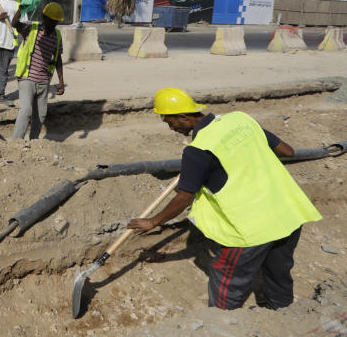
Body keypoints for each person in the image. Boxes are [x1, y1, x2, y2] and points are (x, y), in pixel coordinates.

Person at [127, 88, 322, 310]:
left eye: (169, 121)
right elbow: (288, 151)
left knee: (226, 279)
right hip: (288, 213)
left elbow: (183, 199)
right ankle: (282, 315)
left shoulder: (197, 151)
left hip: (251, 228)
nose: (170, 127)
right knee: (278, 272)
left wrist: (153, 222)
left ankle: (223, 325)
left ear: (184, 117)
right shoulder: (240, 120)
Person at [10, 2, 65, 140]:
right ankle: (16, 142)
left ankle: (34, 143)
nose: (54, 25)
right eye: (52, 21)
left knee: (40, 115)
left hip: (44, 81)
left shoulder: (57, 36)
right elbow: (14, 23)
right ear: (44, 17)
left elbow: (58, 58)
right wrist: (21, 9)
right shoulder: (31, 28)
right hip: (27, 77)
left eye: (56, 22)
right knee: (26, 110)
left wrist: (61, 81)